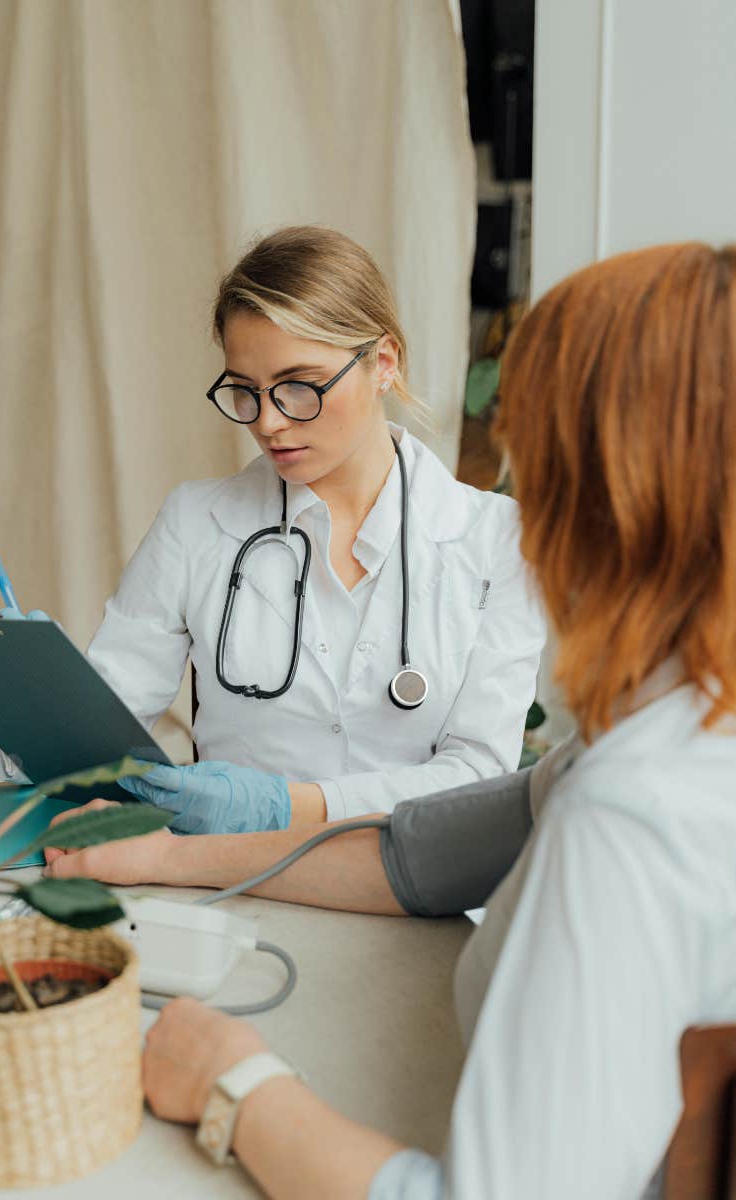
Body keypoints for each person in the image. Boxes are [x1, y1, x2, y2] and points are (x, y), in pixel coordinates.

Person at [46, 242, 736, 1199]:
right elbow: (427, 852)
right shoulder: (649, 733)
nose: (519, 504)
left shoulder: (632, 813)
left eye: (534, 454)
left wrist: (231, 1083)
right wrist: (167, 854)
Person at [78, 225, 544, 833]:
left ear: (382, 362)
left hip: (410, 887)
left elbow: (480, 774)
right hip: (230, 883)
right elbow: (93, 737)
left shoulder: (496, 539)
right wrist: (49, 711)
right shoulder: (197, 523)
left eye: (299, 386)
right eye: (245, 391)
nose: (268, 421)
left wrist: (289, 808)